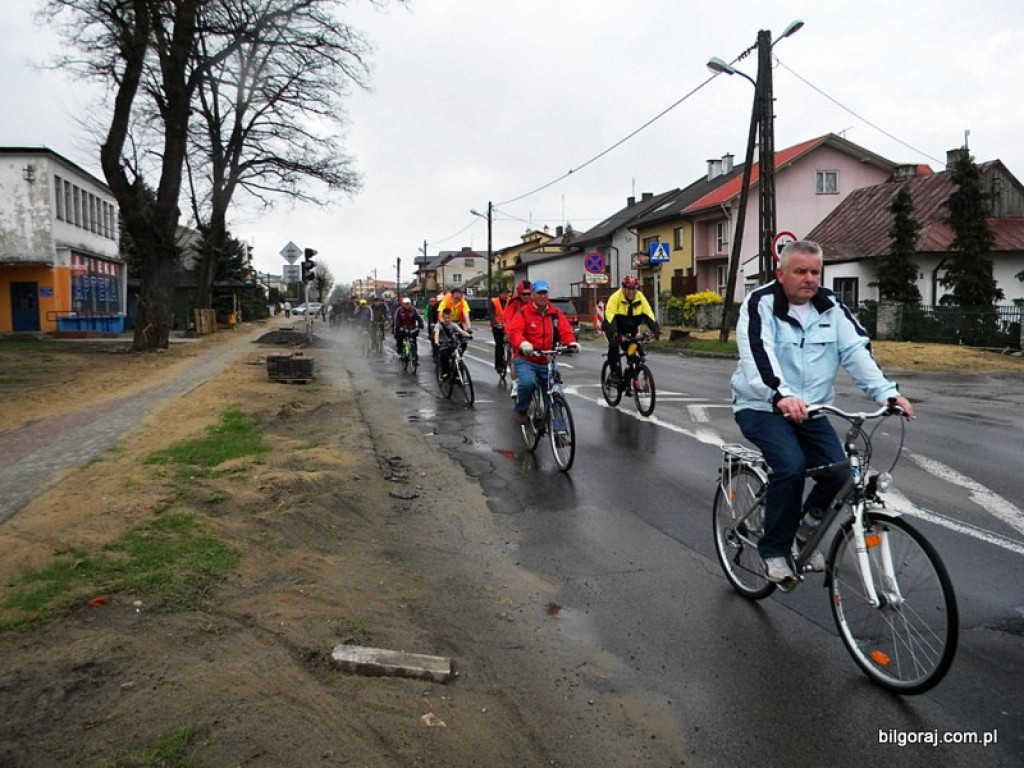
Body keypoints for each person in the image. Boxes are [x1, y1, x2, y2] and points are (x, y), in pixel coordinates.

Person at [731, 239, 914, 584]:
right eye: (801, 271)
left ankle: (804, 530)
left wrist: (886, 394)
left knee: (842, 474)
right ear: (780, 273)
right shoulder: (761, 303)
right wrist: (780, 395)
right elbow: (758, 353)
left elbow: (857, 352)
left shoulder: (831, 307)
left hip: (811, 409)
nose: (810, 278)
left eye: (816, 271)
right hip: (762, 406)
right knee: (790, 467)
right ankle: (773, 550)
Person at [504, 279, 580, 426]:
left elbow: (565, 330)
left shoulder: (555, 313)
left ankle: (559, 432)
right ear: (533, 295)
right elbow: (515, 332)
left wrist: (570, 342)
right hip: (526, 358)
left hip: (547, 359)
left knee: (555, 392)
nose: (543, 296)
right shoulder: (523, 312)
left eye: (545, 292)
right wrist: (523, 344)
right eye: (539, 293)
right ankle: (522, 410)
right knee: (527, 383)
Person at [603, 275, 660, 385]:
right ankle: (614, 373)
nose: (631, 292)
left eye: (633, 289)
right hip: (613, 327)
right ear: (623, 288)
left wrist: (655, 330)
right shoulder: (615, 297)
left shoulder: (640, 297)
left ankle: (629, 376)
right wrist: (615, 333)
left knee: (632, 352)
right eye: (628, 289)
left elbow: (648, 313)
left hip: (630, 328)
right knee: (614, 345)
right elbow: (610, 316)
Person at [504, 280, 532, 398]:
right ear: (519, 294)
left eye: (528, 294)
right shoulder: (513, 303)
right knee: (515, 358)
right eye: (524, 294)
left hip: (532, 334)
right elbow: (508, 320)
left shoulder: (535, 302)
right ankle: (515, 383)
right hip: (516, 334)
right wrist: (511, 336)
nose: (526, 296)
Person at [433, 306, 472, 380]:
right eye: (446, 318)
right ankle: (445, 373)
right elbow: (436, 334)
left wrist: (469, 335)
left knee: (458, 354)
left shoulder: (453, 325)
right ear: (443, 317)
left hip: (451, 343)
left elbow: (461, 331)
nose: (447, 319)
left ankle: (457, 374)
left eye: (449, 317)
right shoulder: (439, 325)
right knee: (444, 355)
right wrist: (436, 343)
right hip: (442, 343)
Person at [489, 286, 512, 374]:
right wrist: (495, 323)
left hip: (508, 326)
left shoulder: (510, 301)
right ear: (500, 294)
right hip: (497, 327)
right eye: (504, 294)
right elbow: (491, 314)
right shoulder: (494, 302)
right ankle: (499, 365)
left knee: (511, 345)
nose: (506, 296)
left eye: (507, 294)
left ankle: (510, 360)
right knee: (499, 345)